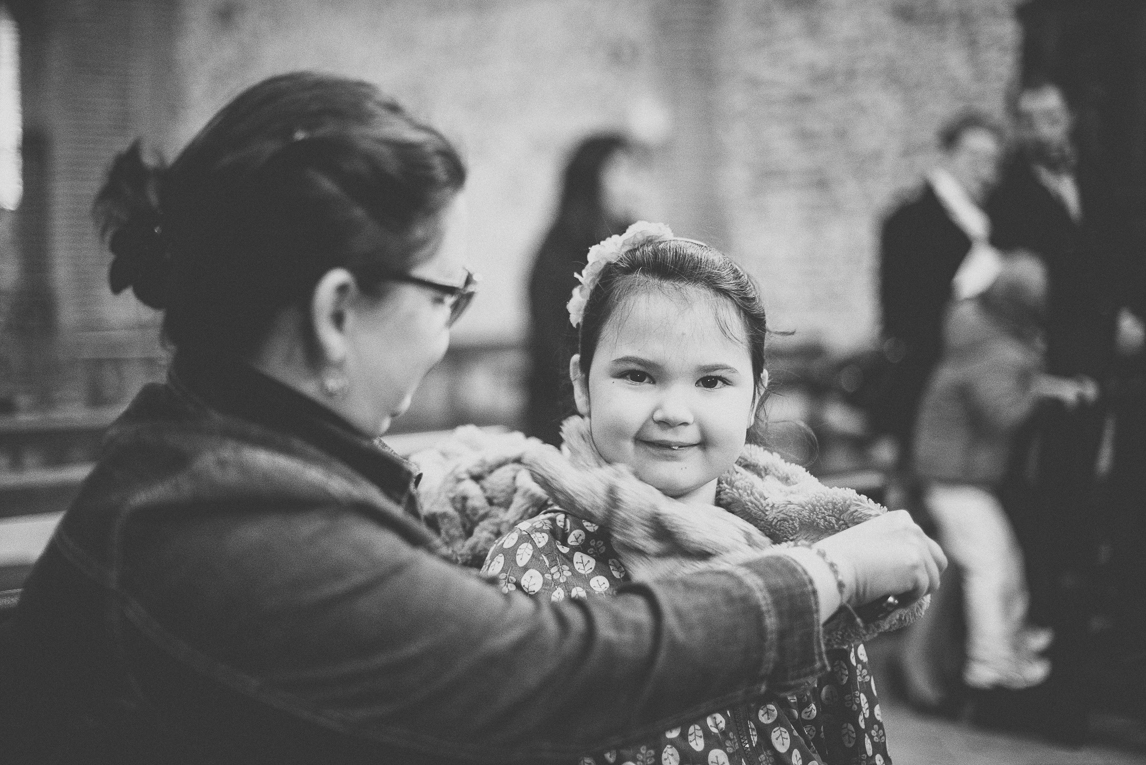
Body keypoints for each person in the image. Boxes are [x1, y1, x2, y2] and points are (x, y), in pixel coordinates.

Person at [0, 72, 946, 764]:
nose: (449, 336)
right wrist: (823, 568)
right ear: (338, 313)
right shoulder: (219, 522)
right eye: (446, 296)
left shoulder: (213, 456)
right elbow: (548, 673)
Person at [478, 223, 925, 765]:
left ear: (755, 393)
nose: (673, 411)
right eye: (638, 375)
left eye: (711, 382)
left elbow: (851, 741)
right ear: (581, 383)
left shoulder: (807, 562)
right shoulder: (535, 567)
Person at [986, 79, 1132, 740]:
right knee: (1056, 521)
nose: (1044, 127)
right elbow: (1028, 288)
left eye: (1052, 114)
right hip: (1057, 369)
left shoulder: (1100, 181)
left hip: (1114, 367)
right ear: (1019, 127)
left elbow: (1119, 258)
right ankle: (1054, 691)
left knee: (1107, 510)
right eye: (1030, 119)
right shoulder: (1011, 196)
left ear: (1069, 115)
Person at [912, 252, 1095, 701]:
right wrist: (1047, 395)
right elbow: (1002, 413)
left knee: (1004, 562)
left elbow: (1013, 385)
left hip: (962, 477)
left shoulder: (981, 335)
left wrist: (1045, 386)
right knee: (990, 568)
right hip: (953, 480)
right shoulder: (994, 350)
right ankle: (989, 667)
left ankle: (1010, 652)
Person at [876, 112, 1005, 469]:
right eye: (974, 157)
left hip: (983, 376)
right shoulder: (911, 219)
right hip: (930, 373)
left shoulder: (993, 219)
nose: (985, 170)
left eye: (992, 160)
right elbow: (901, 312)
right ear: (947, 155)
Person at [526, 134, 641, 445]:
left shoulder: (633, 244)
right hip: (568, 410)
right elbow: (555, 343)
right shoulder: (560, 250)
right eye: (620, 171)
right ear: (592, 178)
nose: (632, 183)